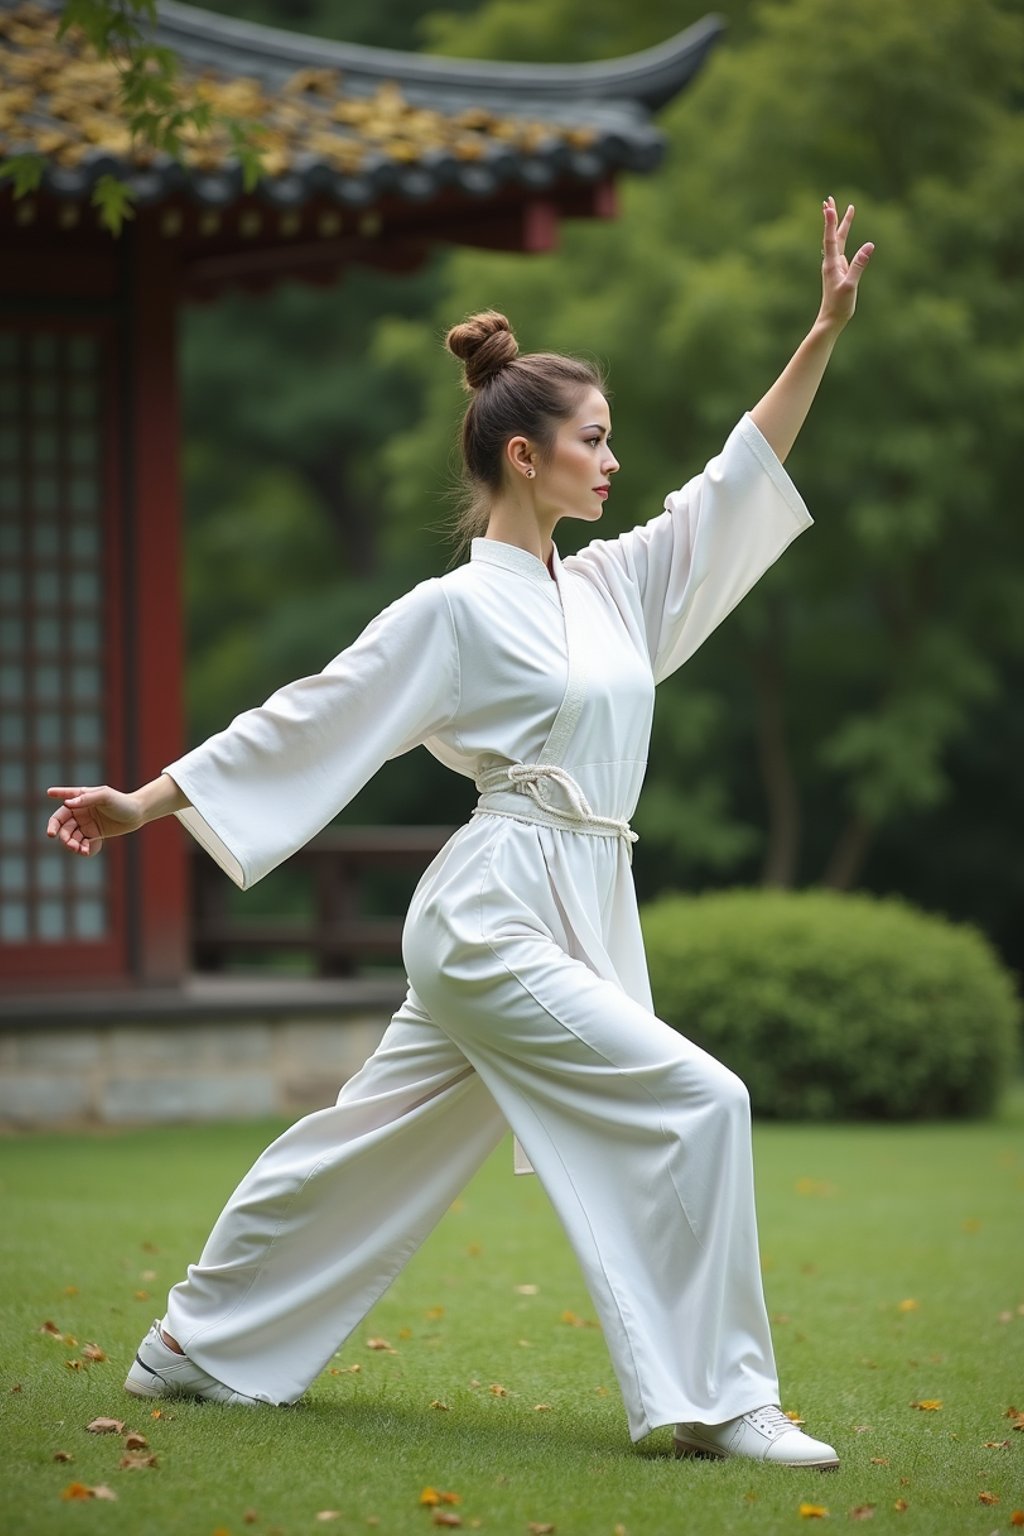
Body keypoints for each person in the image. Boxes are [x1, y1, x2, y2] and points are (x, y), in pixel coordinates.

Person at [46, 198, 872, 1468]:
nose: (613, 459)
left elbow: (735, 482)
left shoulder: (610, 589)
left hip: (580, 900)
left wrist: (819, 332)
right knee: (703, 1101)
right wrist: (147, 801)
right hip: (493, 912)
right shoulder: (450, 613)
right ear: (525, 457)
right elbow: (312, 715)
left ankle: (192, 1346)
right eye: (593, 440)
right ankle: (721, 1402)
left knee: (361, 1140)